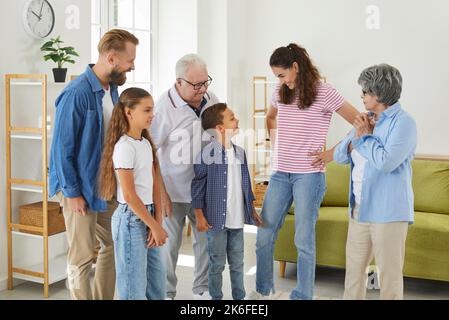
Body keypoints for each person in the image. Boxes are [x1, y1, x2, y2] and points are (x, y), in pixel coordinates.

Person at [248, 43, 360, 300]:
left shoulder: (325, 92)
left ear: (296, 67)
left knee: (303, 240)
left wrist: (332, 153)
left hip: (309, 177)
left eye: (282, 74)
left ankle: (303, 295)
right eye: (277, 76)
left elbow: (360, 123)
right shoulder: (280, 91)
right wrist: (276, 144)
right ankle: (263, 291)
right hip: (279, 174)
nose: (280, 81)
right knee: (264, 234)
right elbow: (271, 117)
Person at [48, 29, 139, 300]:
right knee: (82, 256)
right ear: (111, 58)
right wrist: (73, 193)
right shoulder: (76, 94)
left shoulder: (112, 90)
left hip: (103, 186)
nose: (133, 66)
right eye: (130, 60)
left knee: (114, 243)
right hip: (77, 187)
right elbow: (61, 150)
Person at [333, 64, 417, 300]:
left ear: (379, 94)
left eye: (366, 92)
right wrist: (357, 136)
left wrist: (364, 138)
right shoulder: (365, 120)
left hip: (389, 213)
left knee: (388, 278)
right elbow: (340, 156)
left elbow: (386, 162)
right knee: (353, 275)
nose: (361, 96)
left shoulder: (404, 124)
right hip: (359, 210)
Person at [151, 54, 219, 300]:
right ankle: (166, 294)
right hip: (173, 190)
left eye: (205, 82)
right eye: (196, 85)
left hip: (204, 189)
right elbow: (150, 152)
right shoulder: (162, 109)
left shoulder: (211, 99)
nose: (203, 89)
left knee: (206, 243)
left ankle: (202, 292)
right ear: (179, 82)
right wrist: (161, 193)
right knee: (168, 247)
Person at [98, 87, 168, 300]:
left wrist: (158, 221)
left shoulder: (145, 143)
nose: (152, 115)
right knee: (132, 291)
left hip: (149, 216)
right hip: (131, 220)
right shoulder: (124, 147)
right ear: (129, 112)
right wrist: (154, 226)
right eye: (146, 110)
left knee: (157, 287)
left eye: (152, 110)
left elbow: (155, 185)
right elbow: (129, 195)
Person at [191, 103, 262, 300]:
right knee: (217, 264)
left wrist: (253, 210)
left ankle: (239, 298)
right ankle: (216, 299)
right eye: (232, 118)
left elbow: (246, 183)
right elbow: (197, 188)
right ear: (220, 128)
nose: (237, 119)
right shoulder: (206, 155)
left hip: (237, 219)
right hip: (215, 220)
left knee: (238, 263)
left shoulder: (240, 152)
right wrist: (199, 216)